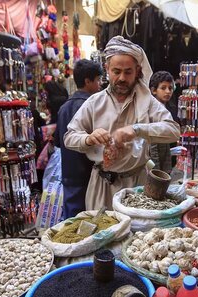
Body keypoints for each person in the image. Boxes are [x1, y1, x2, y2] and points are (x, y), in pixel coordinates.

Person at [64, 36, 180, 210]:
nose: (122, 78)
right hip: (102, 186)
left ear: (137, 71)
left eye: (128, 72)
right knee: (102, 233)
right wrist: (88, 139)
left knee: (136, 235)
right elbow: (69, 137)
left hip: (137, 186)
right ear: (107, 69)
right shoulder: (94, 102)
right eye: (116, 71)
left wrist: (137, 129)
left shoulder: (147, 102)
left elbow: (173, 130)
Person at [54, 59, 103, 218]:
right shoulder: (92, 106)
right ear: (87, 81)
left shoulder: (64, 107)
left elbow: (58, 142)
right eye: (97, 80)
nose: (100, 84)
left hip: (69, 173)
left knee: (72, 220)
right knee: (90, 218)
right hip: (88, 173)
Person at [149, 71, 177, 174]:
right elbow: (153, 144)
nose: (168, 91)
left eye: (170, 88)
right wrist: (156, 171)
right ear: (154, 90)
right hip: (155, 163)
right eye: (163, 88)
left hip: (164, 158)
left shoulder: (169, 108)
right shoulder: (153, 111)